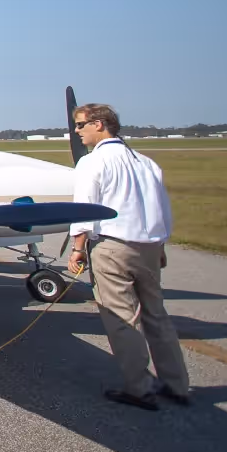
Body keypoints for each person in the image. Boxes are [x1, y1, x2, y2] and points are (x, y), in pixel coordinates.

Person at [68, 102, 190, 411]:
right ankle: (177, 385)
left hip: (112, 248)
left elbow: (84, 209)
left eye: (81, 125)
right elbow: (160, 208)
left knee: (121, 317)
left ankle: (140, 388)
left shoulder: (91, 163)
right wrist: (160, 247)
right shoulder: (147, 163)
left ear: (99, 124)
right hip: (149, 248)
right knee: (157, 316)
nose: (77, 131)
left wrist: (77, 248)